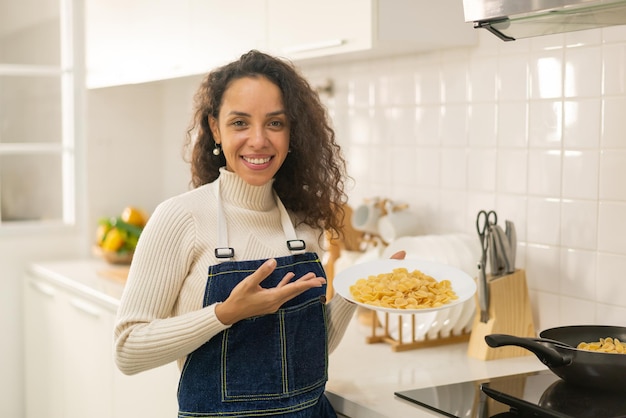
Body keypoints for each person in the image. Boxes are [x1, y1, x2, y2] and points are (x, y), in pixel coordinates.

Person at [114, 49, 403, 417]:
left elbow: (309, 351)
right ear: (215, 128)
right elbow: (127, 350)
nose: (258, 140)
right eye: (240, 123)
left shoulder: (304, 221)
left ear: (292, 131)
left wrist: (358, 290)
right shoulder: (180, 218)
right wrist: (224, 313)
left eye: (275, 123)